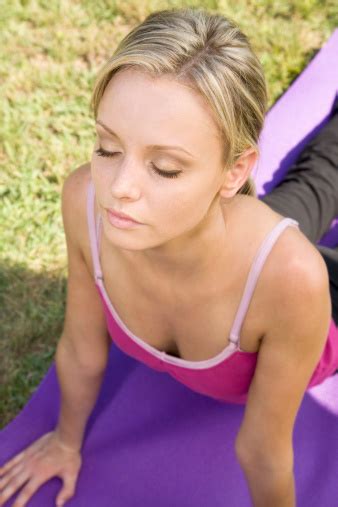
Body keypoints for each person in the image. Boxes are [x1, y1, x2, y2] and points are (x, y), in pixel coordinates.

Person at [0, 7, 337, 507]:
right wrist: (66, 441)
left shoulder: (290, 278)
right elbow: (80, 347)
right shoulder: (86, 201)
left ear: (234, 171)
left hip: (313, 294)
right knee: (312, 186)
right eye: (108, 147)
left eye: (165, 168)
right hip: (222, 234)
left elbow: (263, 451)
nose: (119, 189)